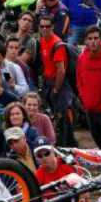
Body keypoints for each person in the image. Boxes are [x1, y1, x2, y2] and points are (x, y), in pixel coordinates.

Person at [36, 15, 74, 145]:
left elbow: (61, 71)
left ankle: (63, 145)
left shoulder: (57, 44)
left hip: (59, 84)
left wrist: (56, 90)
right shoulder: (43, 40)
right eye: (42, 26)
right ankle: (70, 143)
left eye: (47, 26)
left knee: (60, 117)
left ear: (52, 27)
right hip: (49, 82)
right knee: (57, 115)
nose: (44, 29)